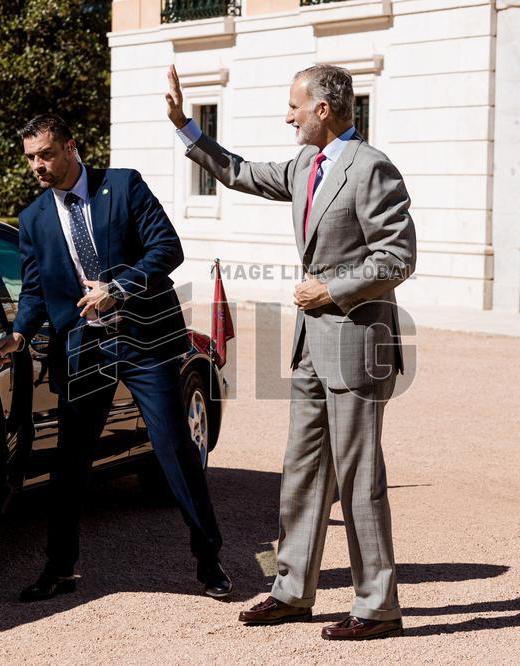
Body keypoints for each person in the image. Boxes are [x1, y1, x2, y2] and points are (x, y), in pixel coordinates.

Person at [165, 64, 415, 640]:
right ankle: (291, 591)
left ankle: (378, 606)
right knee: (301, 473)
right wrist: (185, 126)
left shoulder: (371, 167)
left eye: (294, 106)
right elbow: (240, 172)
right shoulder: (306, 164)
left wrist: (331, 290)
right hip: (309, 348)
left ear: (323, 109)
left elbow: (398, 257)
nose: (287, 117)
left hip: (357, 346)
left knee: (359, 479)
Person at [0, 114, 232, 602]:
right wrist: (19, 333)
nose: (38, 165)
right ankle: (60, 568)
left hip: (146, 341)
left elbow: (167, 248)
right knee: (70, 462)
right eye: (31, 158)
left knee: (175, 451)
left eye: (46, 154)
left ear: (71, 147)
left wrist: (118, 289)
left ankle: (209, 561)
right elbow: (35, 290)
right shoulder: (33, 218)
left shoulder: (123, 187)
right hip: (84, 349)